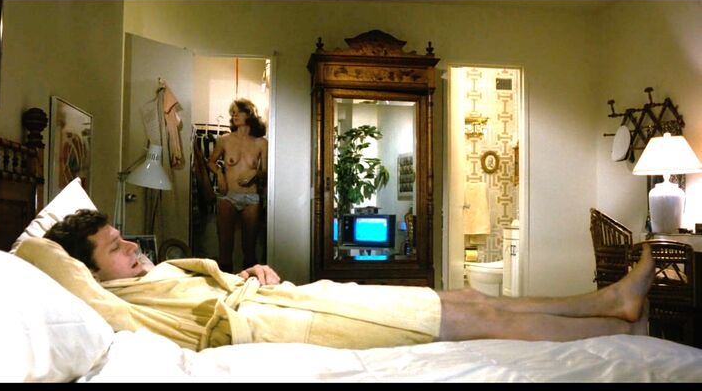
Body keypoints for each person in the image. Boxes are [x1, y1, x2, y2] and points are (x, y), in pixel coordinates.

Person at [43, 209, 653, 352]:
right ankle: (618, 331)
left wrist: (250, 272)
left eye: (124, 239)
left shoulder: (156, 274)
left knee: (465, 295)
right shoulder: (109, 301)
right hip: (283, 323)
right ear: (89, 271)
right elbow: (43, 259)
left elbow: (213, 285)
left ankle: (608, 301)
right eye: (116, 248)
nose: (133, 248)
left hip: (290, 296)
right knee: (475, 317)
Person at [207, 98, 268, 273]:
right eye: (232, 112)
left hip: (251, 198)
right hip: (228, 196)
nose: (234, 115)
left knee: (250, 249)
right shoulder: (224, 140)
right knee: (225, 247)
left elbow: (265, 171)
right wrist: (220, 174)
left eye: (238, 111)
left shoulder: (261, 143)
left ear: (249, 114)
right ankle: (224, 284)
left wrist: (254, 173)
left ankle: (249, 284)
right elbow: (211, 162)